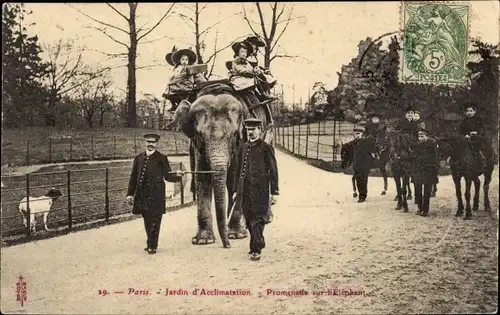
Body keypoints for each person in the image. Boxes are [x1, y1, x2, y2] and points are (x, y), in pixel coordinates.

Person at [126, 133, 185, 254]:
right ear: (145, 143)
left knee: (155, 221)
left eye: (153, 142)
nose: (150, 145)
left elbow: (168, 176)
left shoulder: (161, 158)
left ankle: (153, 245)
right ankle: (150, 243)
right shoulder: (138, 158)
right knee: (147, 220)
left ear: (156, 144)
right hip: (142, 195)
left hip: (156, 195)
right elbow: (133, 178)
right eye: (148, 142)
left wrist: (177, 175)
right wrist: (130, 194)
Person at [233, 118, 279, 261]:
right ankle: (258, 242)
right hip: (245, 189)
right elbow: (237, 169)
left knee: (258, 218)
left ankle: (256, 248)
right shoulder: (243, 147)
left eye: (253, 129)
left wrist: (274, 191)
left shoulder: (266, 148)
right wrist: (235, 189)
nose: (251, 132)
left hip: (261, 190)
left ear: (260, 130)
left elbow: (273, 170)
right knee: (248, 217)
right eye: (248, 130)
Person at [163, 47, 206, 112]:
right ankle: (174, 105)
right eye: (182, 60)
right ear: (180, 61)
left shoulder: (190, 68)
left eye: (186, 60)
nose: (184, 61)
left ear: (188, 61)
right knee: (169, 92)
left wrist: (198, 85)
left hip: (187, 85)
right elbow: (174, 78)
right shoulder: (177, 69)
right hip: (179, 85)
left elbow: (199, 79)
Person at [410, 129, 439, 217]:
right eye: (419, 136)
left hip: (429, 170)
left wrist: (434, 168)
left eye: (422, 136)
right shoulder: (417, 146)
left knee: (427, 191)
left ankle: (425, 210)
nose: (420, 138)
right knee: (418, 190)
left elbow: (436, 156)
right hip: (418, 170)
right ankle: (419, 208)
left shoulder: (432, 144)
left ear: (426, 136)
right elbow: (413, 157)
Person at [457, 103, 490, 170]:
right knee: (460, 144)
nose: (469, 113)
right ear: (465, 112)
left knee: (476, 144)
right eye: (467, 111)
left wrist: (476, 132)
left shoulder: (479, 120)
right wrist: (464, 135)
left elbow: (482, 129)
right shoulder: (464, 121)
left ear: (474, 111)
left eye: (471, 111)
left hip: (477, 137)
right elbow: (460, 131)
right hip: (467, 138)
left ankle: (482, 158)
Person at [352, 126, 377, 203]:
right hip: (356, 165)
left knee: (363, 180)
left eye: (359, 134)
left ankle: (363, 195)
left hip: (364, 164)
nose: (357, 135)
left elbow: (374, 144)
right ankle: (361, 194)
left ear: (362, 134)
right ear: (354, 134)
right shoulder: (353, 143)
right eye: (356, 134)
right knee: (358, 180)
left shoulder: (366, 141)